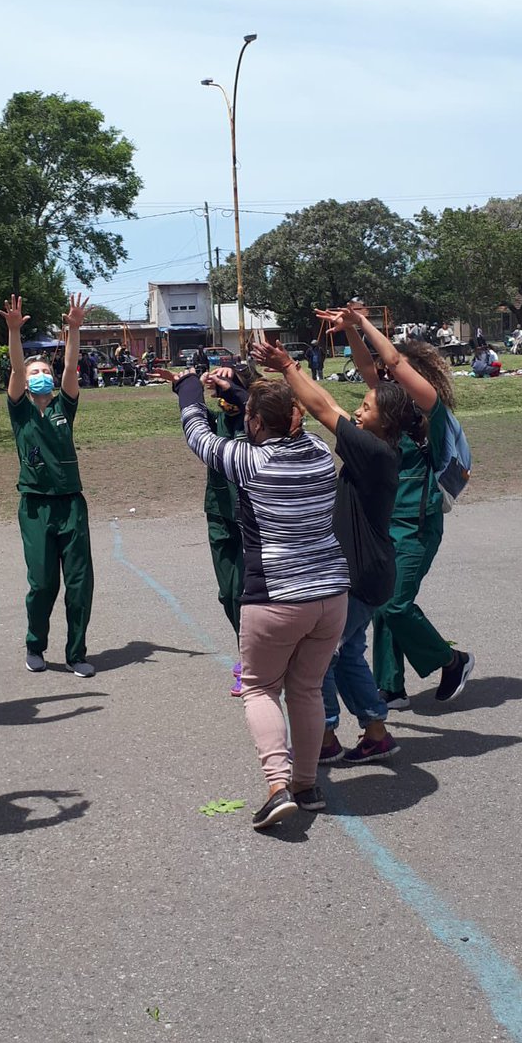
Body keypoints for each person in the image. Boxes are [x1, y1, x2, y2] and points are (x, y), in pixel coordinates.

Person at [162, 364, 350, 832]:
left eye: (248, 414)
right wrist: (242, 392)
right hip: (330, 595)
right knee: (305, 689)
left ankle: (277, 786)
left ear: (255, 423)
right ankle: (307, 786)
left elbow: (198, 436)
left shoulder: (251, 460)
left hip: (276, 597)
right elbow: (275, 417)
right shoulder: (320, 452)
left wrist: (188, 387)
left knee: (259, 688)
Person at [251, 323, 402, 769]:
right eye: (361, 403)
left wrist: (287, 366)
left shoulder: (374, 451)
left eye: (367, 407)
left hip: (358, 576)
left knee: (321, 656)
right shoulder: (378, 449)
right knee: (348, 650)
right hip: (372, 573)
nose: (358, 412)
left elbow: (324, 407)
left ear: (386, 422)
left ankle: (326, 735)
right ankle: (375, 732)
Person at [328, 310, 474, 710]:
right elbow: (369, 367)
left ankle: (452, 660)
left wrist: (362, 321)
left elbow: (391, 361)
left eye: (398, 373)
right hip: (385, 524)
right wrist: (353, 333)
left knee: (394, 603)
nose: (388, 377)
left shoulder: (432, 413)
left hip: (418, 526)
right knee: (380, 604)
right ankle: (390, 686)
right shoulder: (392, 412)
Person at [2, 293, 97, 678]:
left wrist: (73, 328)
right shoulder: (20, 409)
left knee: (79, 584)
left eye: (45, 369)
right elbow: (14, 366)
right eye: (33, 371)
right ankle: (34, 645)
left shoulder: (63, 406)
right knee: (42, 584)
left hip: (71, 504)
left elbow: (71, 365)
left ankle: (76, 653)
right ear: (25, 381)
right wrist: (13, 331)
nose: (40, 374)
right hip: (36, 507)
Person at [195, 363, 254, 695]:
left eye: (228, 380)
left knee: (249, 593)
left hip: (251, 515)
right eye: (218, 384)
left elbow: (253, 401)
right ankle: (248, 653)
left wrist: (236, 386)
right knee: (227, 594)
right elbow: (191, 413)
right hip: (218, 513)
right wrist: (192, 381)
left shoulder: (255, 417)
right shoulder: (213, 420)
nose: (222, 389)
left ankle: (252, 661)